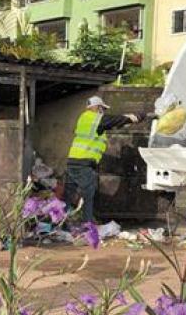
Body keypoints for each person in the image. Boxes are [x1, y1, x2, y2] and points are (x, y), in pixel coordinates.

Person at [64, 96, 155, 224]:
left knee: (69, 194)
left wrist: (130, 120)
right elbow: (112, 120)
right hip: (84, 163)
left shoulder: (85, 119)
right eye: (102, 109)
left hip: (74, 161)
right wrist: (138, 116)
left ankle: (61, 224)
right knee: (88, 194)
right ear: (97, 107)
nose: (103, 112)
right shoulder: (94, 118)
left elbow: (113, 123)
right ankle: (87, 225)